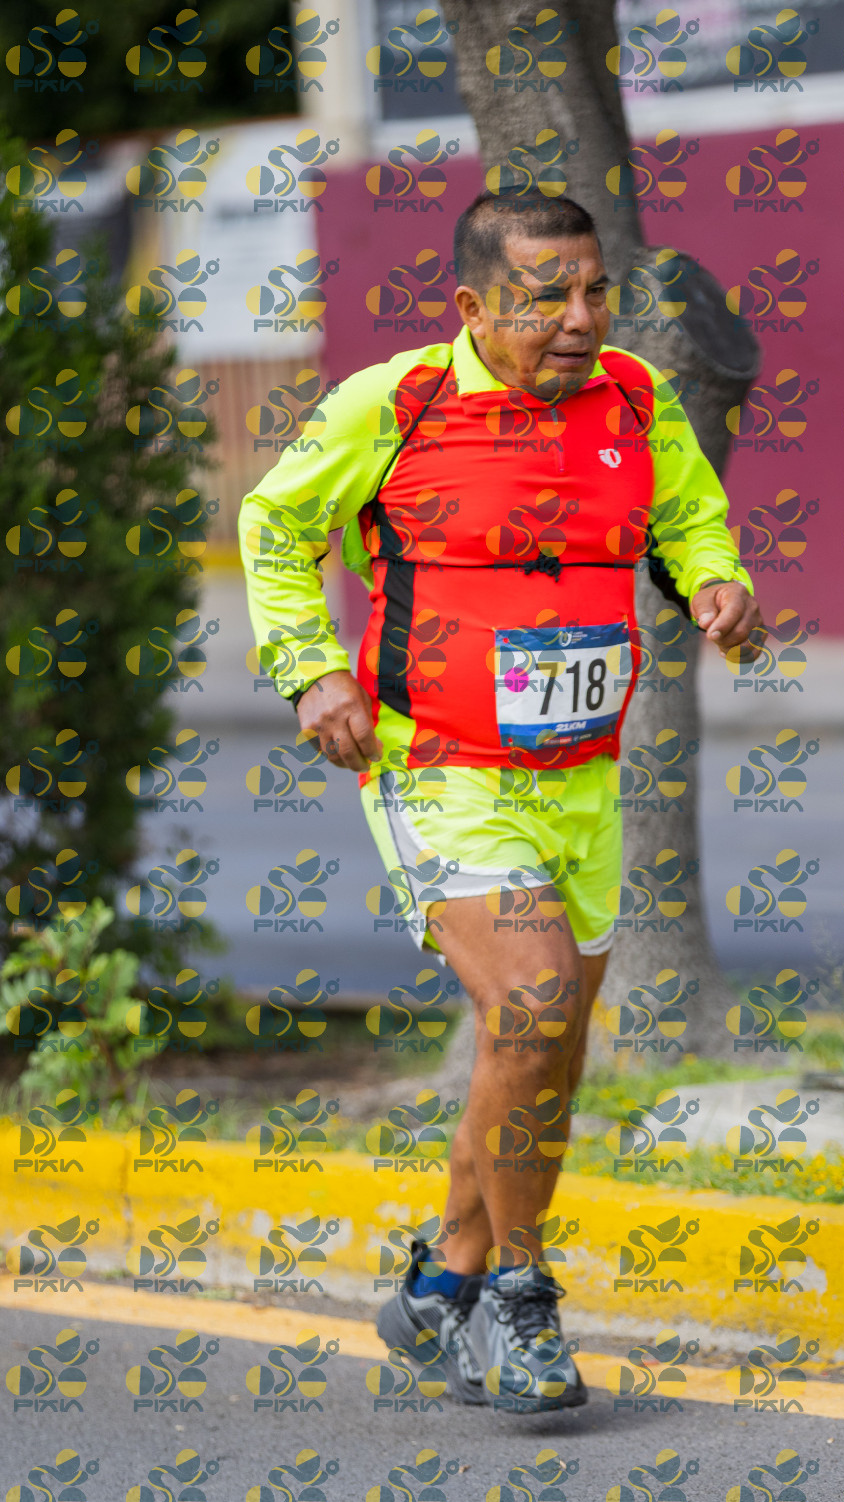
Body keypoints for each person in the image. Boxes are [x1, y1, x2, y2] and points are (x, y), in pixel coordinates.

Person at [238, 191, 762, 1414]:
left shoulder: (634, 395)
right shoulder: (398, 402)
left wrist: (718, 582)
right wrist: (311, 669)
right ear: (475, 306)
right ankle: (520, 1304)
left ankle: (442, 1283)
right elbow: (273, 523)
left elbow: (687, 516)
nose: (580, 319)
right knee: (531, 1006)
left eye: (593, 291)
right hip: (440, 765)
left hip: (582, 776)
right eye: (546, 298)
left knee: (542, 1053)